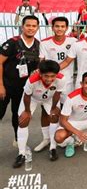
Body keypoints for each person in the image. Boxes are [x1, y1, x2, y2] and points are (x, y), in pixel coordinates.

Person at [36, 17, 77, 152]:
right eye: (57, 26)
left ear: (67, 28)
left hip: (67, 82)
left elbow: (68, 61)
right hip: (49, 82)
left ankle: (68, 137)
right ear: (52, 27)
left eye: (62, 26)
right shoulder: (45, 43)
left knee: (67, 111)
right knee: (46, 111)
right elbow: (41, 62)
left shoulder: (73, 41)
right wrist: (48, 75)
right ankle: (46, 138)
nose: (59, 29)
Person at [13, 60, 64, 168]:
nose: (49, 79)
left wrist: (54, 108)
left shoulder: (61, 78)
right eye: (46, 76)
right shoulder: (32, 80)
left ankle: (52, 148)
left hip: (49, 98)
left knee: (54, 117)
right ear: (40, 73)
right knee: (23, 121)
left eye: (52, 76)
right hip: (32, 99)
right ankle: (21, 153)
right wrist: (27, 111)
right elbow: (27, 96)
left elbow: (57, 94)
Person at [0, 15, 40, 144]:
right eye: (28, 25)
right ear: (22, 26)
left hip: (22, 88)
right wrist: (1, 85)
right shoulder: (12, 42)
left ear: (37, 28)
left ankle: (18, 140)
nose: (31, 28)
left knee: (17, 115)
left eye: (34, 26)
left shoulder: (38, 45)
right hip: (6, 85)